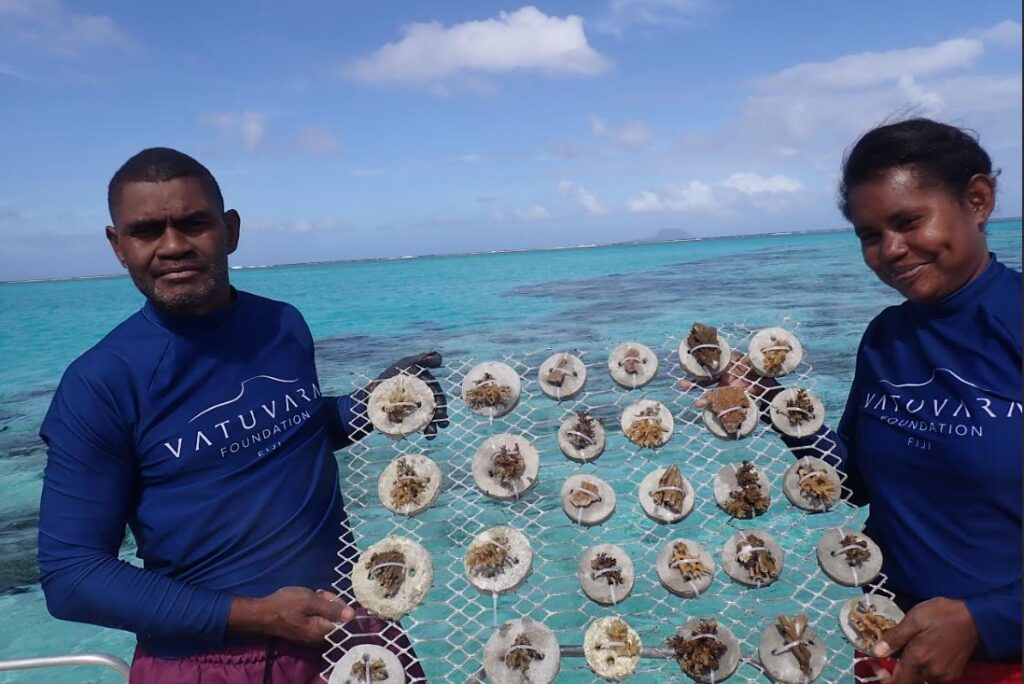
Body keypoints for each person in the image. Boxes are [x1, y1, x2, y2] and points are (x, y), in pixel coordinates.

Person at [37, 147, 447, 682]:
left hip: (349, 624)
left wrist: (382, 403)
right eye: (146, 231)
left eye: (193, 223)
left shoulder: (282, 325)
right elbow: (72, 576)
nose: (173, 246)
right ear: (118, 246)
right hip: (212, 659)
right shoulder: (100, 384)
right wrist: (255, 615)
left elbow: (287, 432)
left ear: (230, 230)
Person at [689, 118, 1021, 684]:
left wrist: (983, 620)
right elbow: (852, 481)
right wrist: (769, 400)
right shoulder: (887, 337)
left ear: (978, 199)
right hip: (888, 638)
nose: (891, 250)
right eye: (870, 235)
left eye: (908, 221)